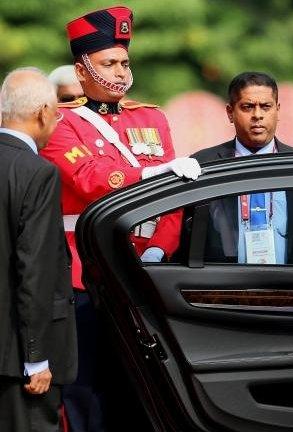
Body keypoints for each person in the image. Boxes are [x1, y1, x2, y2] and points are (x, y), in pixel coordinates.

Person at [39, 6, 201, 431]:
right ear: (82, 68)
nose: (121, 71)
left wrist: (160, 251)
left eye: (124, 61)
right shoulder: (61, 123)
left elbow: (173, 197)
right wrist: (148, 172)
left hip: (141, 272)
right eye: (109, 62)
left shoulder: (151, 118)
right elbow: (89, 179)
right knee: (84, 389)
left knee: (142, 385)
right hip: (84, 274)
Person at [192, 72, 293, 265]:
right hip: (223, 288)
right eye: (247, 107)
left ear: (278, 110)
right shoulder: (203, 165)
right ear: (230, 113)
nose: (257, 115)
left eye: (266, 107)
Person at [0, 67, 77, 432]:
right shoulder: (38, 172)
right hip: (19, 358)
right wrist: (36, 359)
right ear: (44, 112)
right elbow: (35, 270)